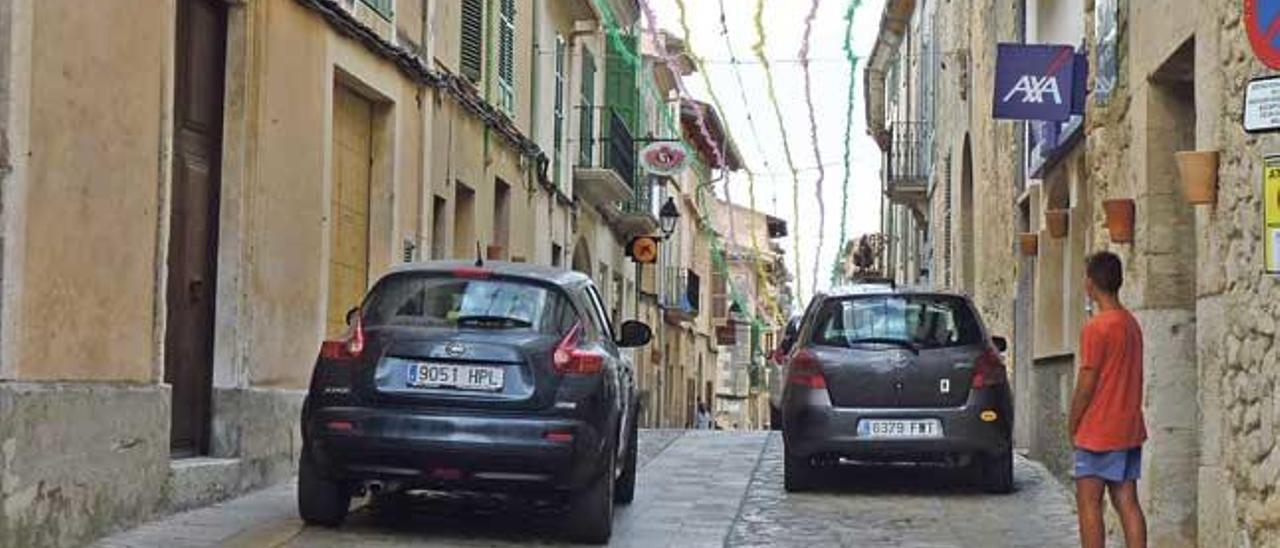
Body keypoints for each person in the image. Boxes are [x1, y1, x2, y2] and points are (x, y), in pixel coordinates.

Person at [1069, 252, 1148, 548]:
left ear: (1090, 283)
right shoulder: (1131, 324)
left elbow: (1087, 382)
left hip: (1098, 429)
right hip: (1128, 427)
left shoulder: (1097, 327)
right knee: (1128, 501)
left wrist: (1073, 422)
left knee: (1089, 502)